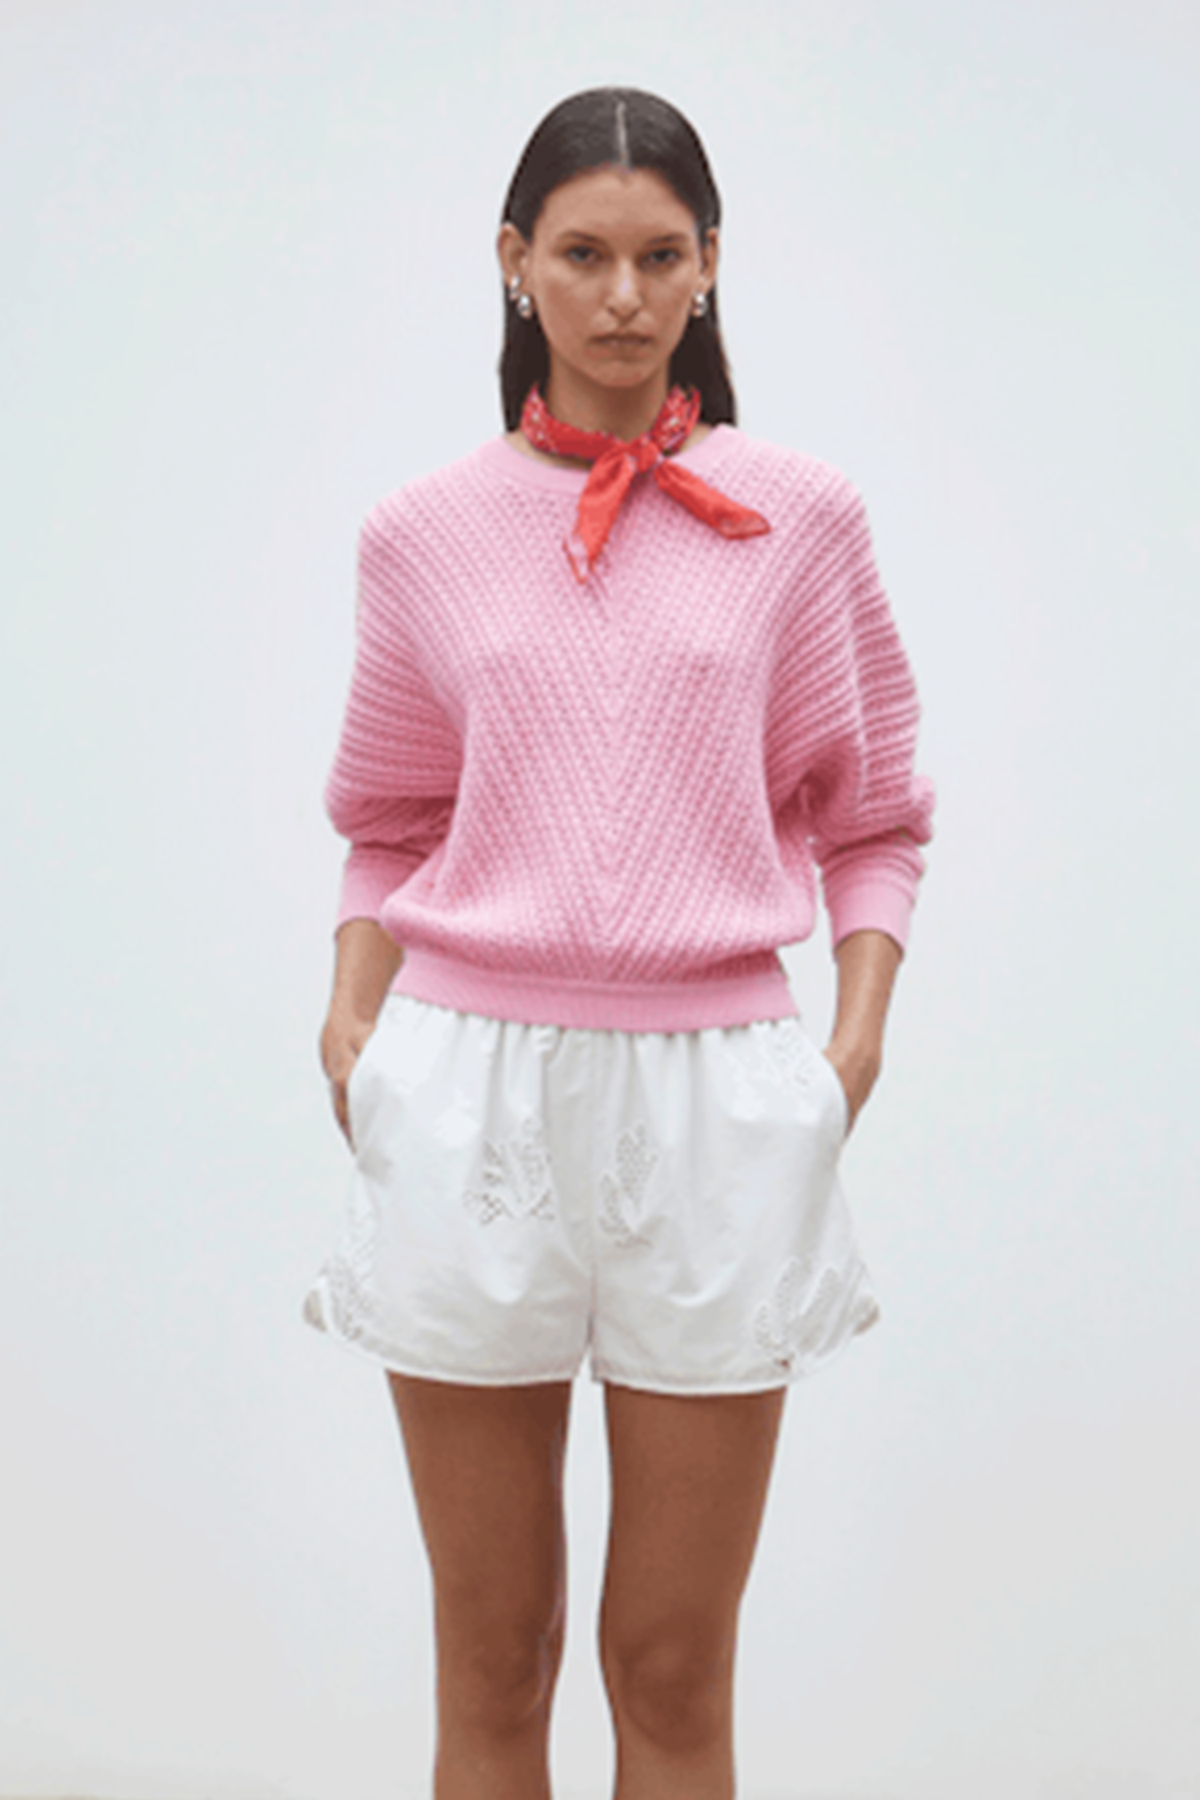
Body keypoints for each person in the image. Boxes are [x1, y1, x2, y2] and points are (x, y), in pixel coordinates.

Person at [304, 85, 935, 1800]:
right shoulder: (421, 533)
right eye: (583, 254)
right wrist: (352, 1026)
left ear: (711, 264)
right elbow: (391, 816)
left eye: (662, 256)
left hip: (719, 1099)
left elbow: (875, 816)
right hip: (467, 1091)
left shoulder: (801, 518)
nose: (624, 296)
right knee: (493, 1651)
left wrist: (847, 1050)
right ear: (516, 261)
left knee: (670, 1661)